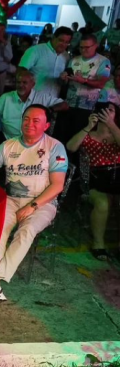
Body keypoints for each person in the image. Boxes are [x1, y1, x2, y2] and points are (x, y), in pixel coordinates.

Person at [0, 104, 67, 304]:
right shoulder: (8, 145)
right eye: (26, 119)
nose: (29, 124)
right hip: (11, 199)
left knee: (26, 231)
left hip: (43, 202)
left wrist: (32, 206)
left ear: (46, 125)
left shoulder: (55, 147)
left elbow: (57, 185)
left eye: (36, 121)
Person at [66, 103, 120, 261]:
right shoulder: (89, 134)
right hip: (94, 179)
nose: (106, 113)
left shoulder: (117, 133)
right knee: (102, 204)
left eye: (111, 110)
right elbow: (70, 147)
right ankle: (98, 244)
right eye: (103, 110)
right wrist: (89, 126)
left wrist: (111, 124)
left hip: (117, 178)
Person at [0, 70, 68, 141]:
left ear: (32, 84)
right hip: (8, 139)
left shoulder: (41, 97)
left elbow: (65, 105)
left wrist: (50, 110)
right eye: (18, 82)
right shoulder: (7, 97)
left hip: (34, 141)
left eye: (24, 82)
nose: (21, 85)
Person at [59, 33, 112, 141]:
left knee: (80, 141)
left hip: (88, 109)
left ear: (96, 45)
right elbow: (66, 81)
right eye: (81, 47)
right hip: (69, 105)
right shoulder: (74, 60)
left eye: (87, 47)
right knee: (63, 138)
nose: (83, 50)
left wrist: (84, 81)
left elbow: (101, 84)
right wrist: (64, 78)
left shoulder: (103, 61)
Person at [19, 26, 72, 98]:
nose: (63, 44)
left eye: (66, 42)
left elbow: (63, 80)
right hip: (33, 97)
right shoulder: (35, 50)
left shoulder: (66, 56)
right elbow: (21, 71)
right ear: (53, 37)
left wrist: (63, 80)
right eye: (61, 40)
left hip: (53, 99)